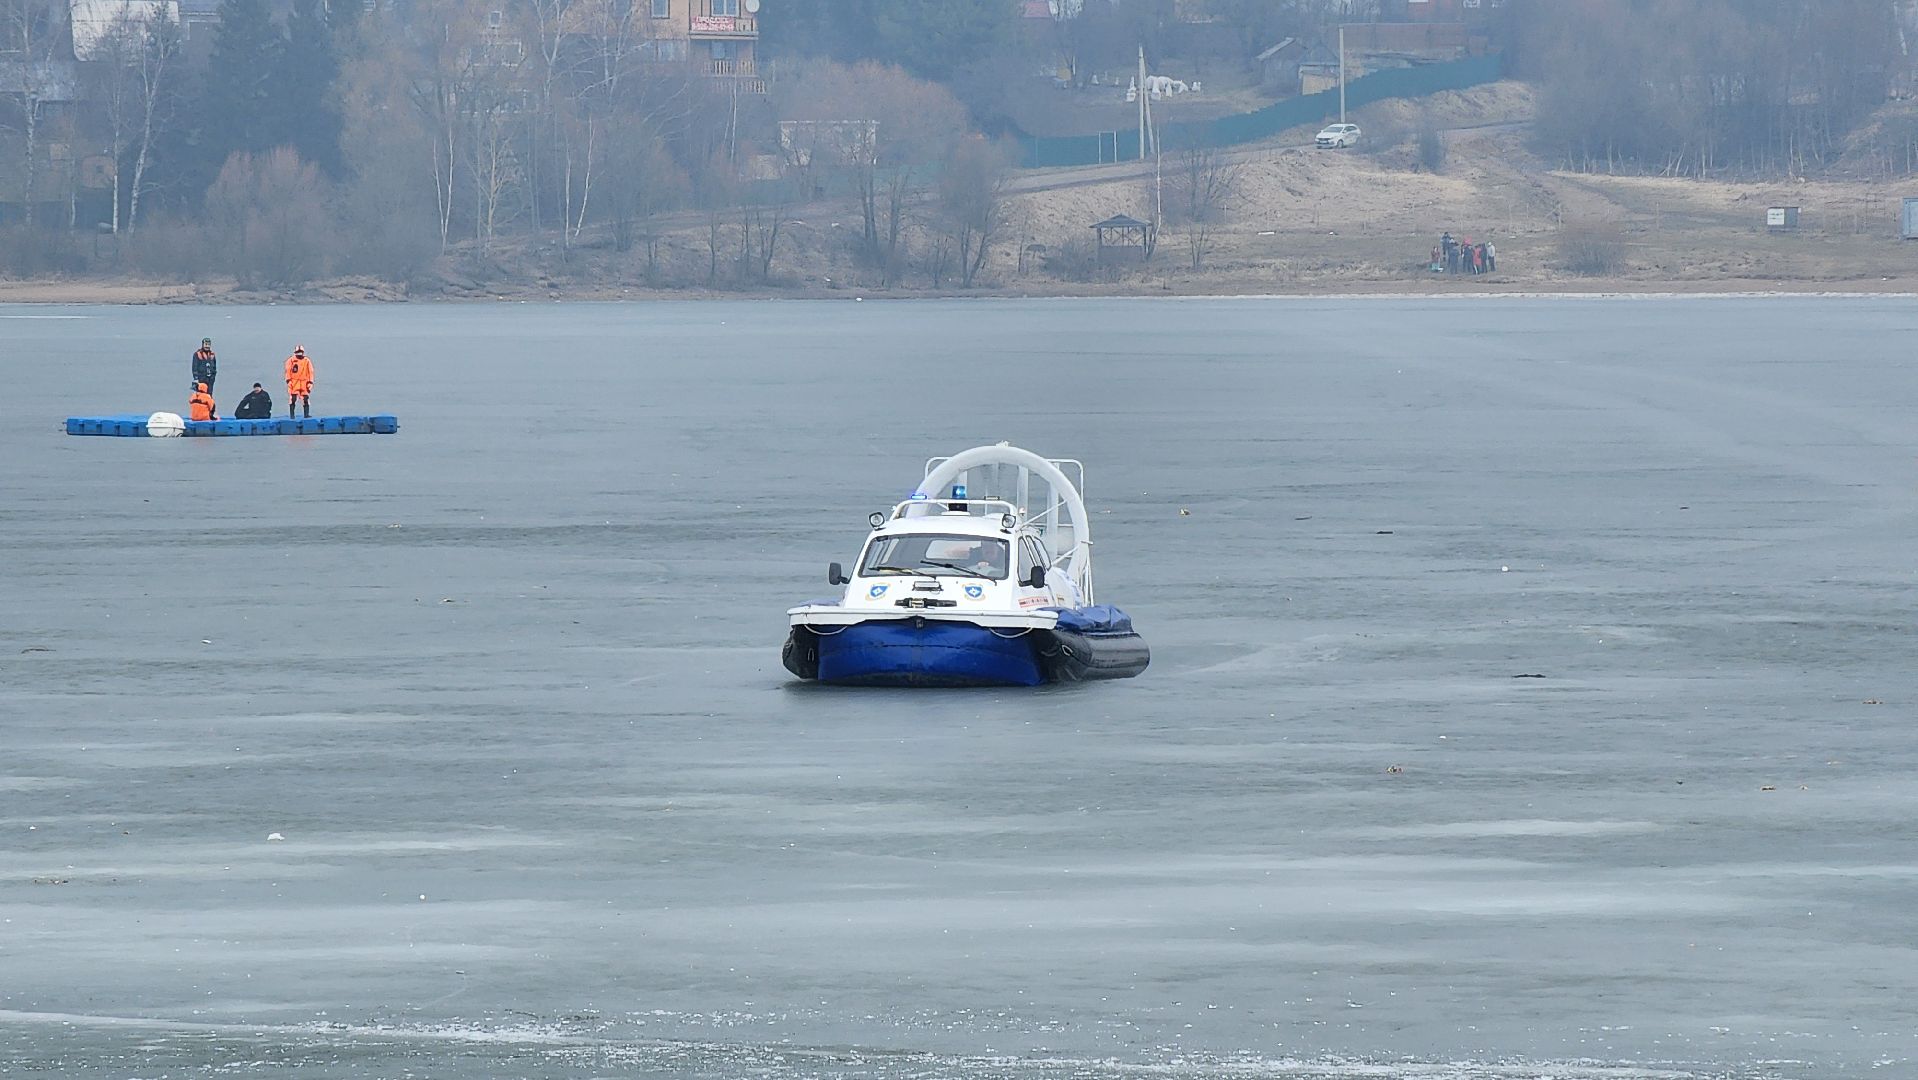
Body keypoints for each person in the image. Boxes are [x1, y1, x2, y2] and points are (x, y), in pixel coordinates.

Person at [284, 345, 314, 418]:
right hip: (294, 382)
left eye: (300, 352)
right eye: (298, 352)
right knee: (293, 398)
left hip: (304, 382)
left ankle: (306, 414)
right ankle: (292, 415)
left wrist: (310, 382)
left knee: (305, 399)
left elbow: (310, 371)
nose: (299, 354)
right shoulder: (290, 360)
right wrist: (288, 381)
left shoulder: (307, 361)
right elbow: (287, 371)